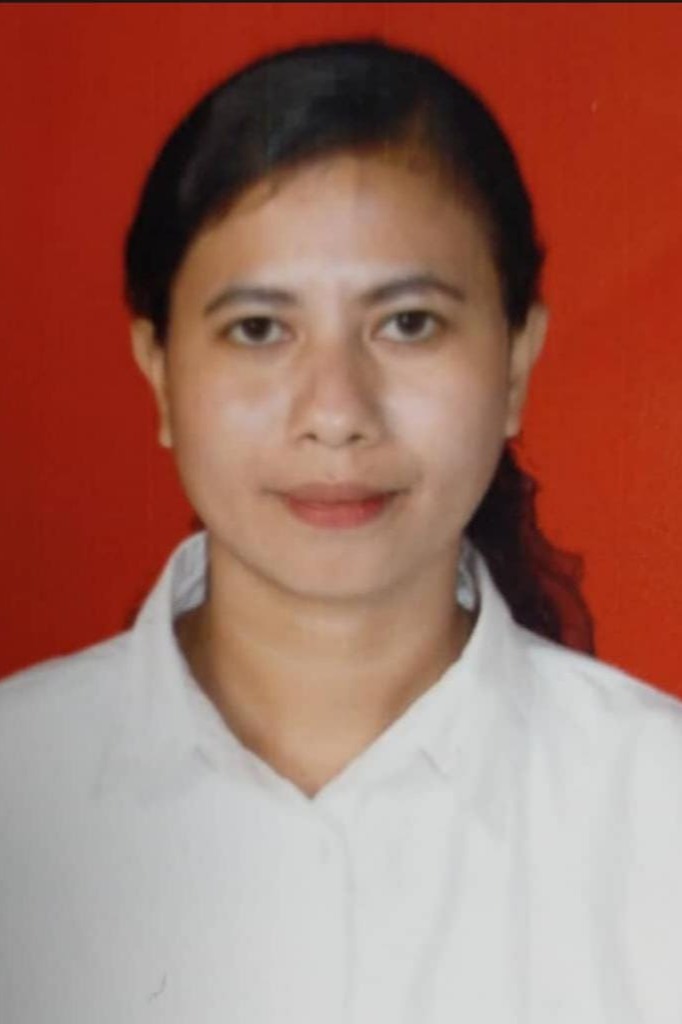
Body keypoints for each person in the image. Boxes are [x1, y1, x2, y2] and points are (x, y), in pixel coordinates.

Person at [1, 38, 680, 1024]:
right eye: (258, 329)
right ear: (159, 371)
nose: (335, 413)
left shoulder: (657, 805)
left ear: (515, 361)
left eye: (408, 323)